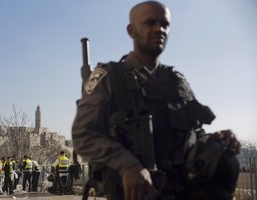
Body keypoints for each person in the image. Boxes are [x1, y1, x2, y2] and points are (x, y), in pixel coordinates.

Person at [72, 1, 240, 200]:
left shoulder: (177, 81)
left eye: (165, 24)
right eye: (150, 23)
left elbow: (192, 134)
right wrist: (127, 165)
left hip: (183, 190)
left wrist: (215, 140)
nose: (159, 29)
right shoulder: (108, 78)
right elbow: (83, 135)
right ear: (131, 30)